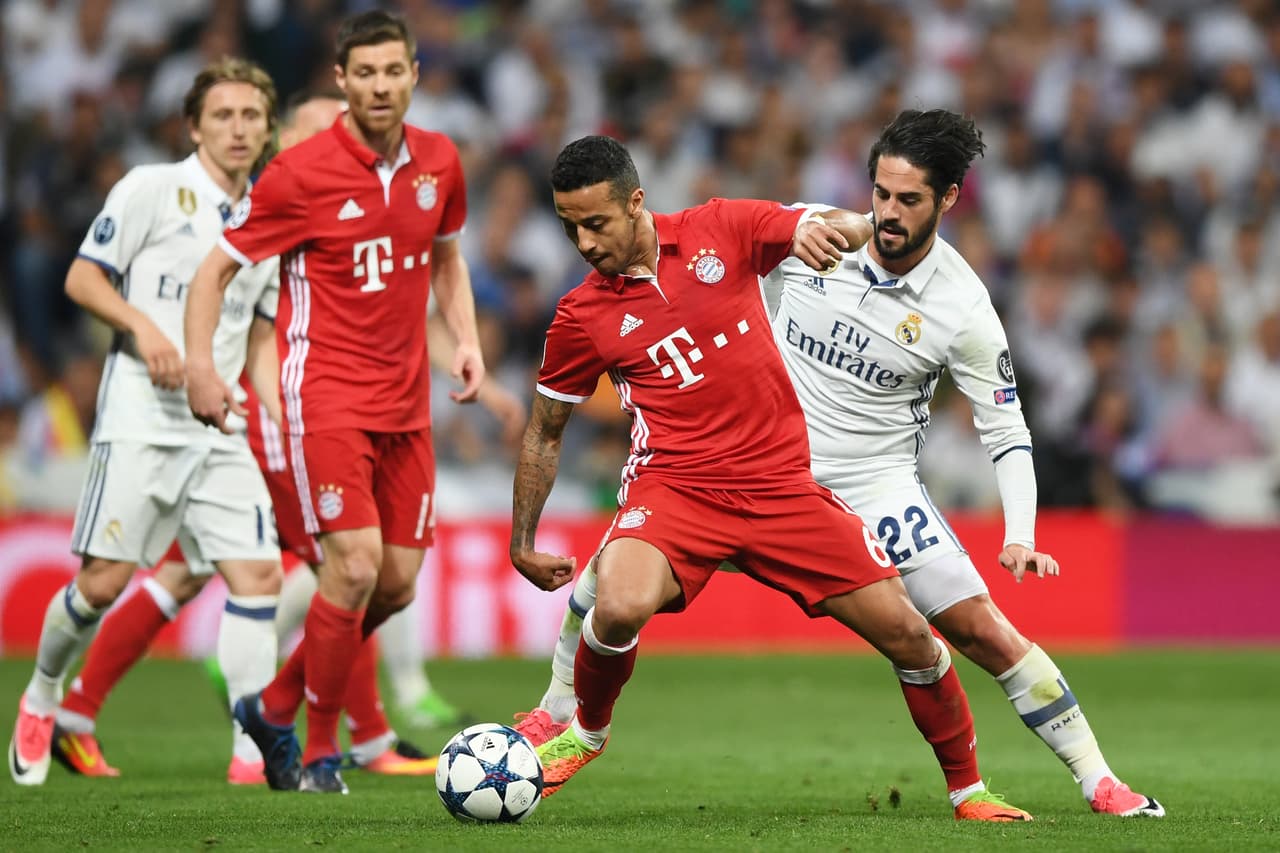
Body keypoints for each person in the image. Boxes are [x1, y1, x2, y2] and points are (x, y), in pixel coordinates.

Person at [520, 111, 1165, 818]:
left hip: (872, 482)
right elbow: (794, 223)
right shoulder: (816, 237)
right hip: (740, 463)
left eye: (907, 199)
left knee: (969, 630)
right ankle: (561, 721)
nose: (887, 212)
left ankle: (1094, 778)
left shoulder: (965, 307)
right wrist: (817, 227)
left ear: (947, 200)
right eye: (879, 193)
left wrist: (1021, 530)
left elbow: (1006, 427)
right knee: (612, 584)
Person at [44, 91, 437, 784]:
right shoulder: (276, 207)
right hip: (269, 413)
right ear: (285, 140)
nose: (343, 139)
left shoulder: (324, 201)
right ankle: (365, 734)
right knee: (347, 565)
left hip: (275, 408)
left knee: (193, 569)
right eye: (322, 129)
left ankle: (77, 711)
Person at [185, 10, 483, 795]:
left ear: (415, 74)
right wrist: (200, 368)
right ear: (342, 82)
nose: (382, 86)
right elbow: (213, 272)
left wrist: (466, 339)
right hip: (325, 394)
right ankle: (317, 752)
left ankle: (275, 703)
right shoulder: (300, 173)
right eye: (366, 73)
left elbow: (446, 259)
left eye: (395, 71)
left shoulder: (441, 161)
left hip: (408, 405)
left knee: (395, 585)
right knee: (350, 568)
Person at [8, 58, 285, 787]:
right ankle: (42, 696)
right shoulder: (151, 189)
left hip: (219, 422)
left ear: (266, 128)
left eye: (251, 116)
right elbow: (81, 277)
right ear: (193, 126)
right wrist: (147, 330)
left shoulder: (268, 217)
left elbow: (257, 334)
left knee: (259, 574)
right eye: (222, 116)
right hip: (141, 411)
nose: (237, 129)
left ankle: (250, 753)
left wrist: (276, 410)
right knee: (101, 584)